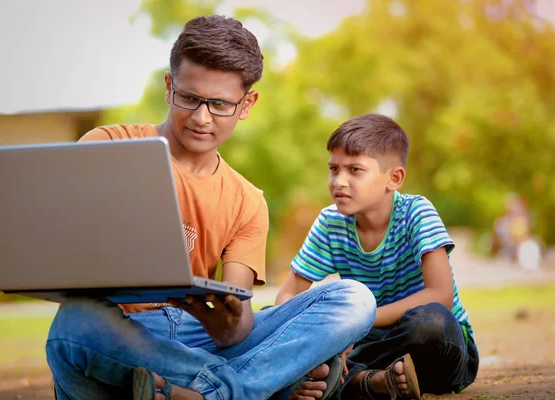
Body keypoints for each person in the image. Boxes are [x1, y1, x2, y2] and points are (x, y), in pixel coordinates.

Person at [46, 16, 377, 400]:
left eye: (220, 104)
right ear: (170, 87)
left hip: (198, 337)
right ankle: (254, 386)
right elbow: (65, 245)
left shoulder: (247, 201)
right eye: (190, 98)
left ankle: (190, 392)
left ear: (247, 104)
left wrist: (223, 321)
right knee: (73, 326)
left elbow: (234, 328)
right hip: (119, 333)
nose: (202, 118)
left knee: (353, 299)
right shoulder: (105, 146)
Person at [276, 114, 479, 399]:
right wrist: (322, 335)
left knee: (431, 323)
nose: (339, 182)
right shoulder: (330, 222)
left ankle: (350, 379)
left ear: (394, 178)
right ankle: (375, 382)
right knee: (267, 322)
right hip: (366, 341)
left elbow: (440, 295)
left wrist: (354, 323)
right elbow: (286, 298)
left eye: (355, 170)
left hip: (434, 346)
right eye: (334, 169)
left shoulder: (416, 213)